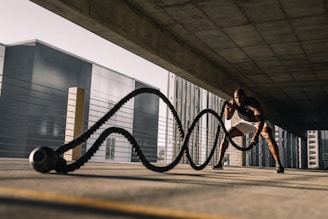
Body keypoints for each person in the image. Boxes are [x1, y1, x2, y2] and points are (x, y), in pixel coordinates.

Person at [213, 88, 284, 173]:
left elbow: (260, 121)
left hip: (258, 121)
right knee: (227, 135)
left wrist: (256, 136)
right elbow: (228, 117)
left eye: (240, 97)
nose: (238, 100)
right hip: (245, 122)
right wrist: (227, 108)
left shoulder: (252, 103)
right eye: (236, 97)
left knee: (269, 136)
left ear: (245, 97)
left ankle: (279, 165)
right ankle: (219, 163)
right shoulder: (234, 103)